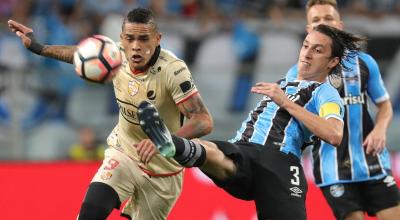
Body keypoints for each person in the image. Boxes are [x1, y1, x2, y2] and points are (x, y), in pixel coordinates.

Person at [137, 24, 365, 220]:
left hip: (280, 164)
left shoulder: (326, 94)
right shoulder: (285, 81)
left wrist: (285, 102)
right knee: (212, 151)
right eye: (305, 46)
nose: (307, 53)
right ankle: (170, 144)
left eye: (317, 50)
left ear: (332, 61)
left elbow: (335, 134)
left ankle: (174, 144)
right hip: (244, 150)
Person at [8, 8, 213, 220]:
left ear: (157, 39)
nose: (136, 47)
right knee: (90, 213)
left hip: (164, 173)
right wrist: (39, 47)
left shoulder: (173, 71)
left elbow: (203, 120)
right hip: (123, 154)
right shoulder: (116, 54)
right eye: (130, 38)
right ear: (121, 39)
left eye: (144, 39)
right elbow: (81, 54)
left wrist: (164, 140)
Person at [285, 1, 400, 219]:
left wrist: (380, 130)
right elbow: (294, 119)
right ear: (309, 30)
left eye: (328, 18)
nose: (323, 23)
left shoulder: (364, 62)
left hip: (373, 161)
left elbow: (384, 104)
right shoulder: (297, 74)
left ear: (339, 24)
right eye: (316, 20)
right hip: (332, 170)